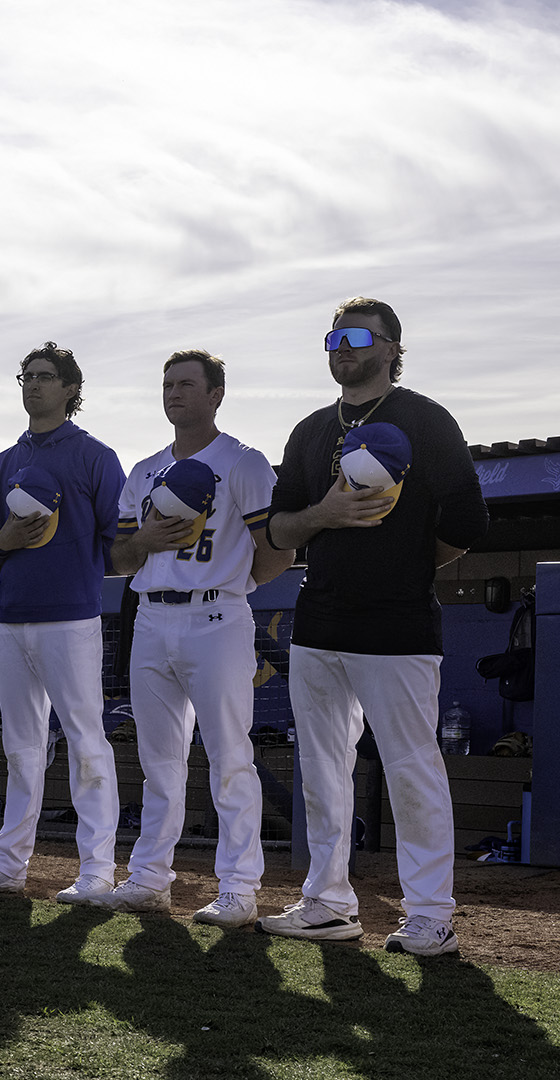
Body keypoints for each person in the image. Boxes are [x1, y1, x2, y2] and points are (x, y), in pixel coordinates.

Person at [259, 297, 488, 956]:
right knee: (322, 772)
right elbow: (278, 528)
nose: (342, 346)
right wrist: (325, 514)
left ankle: (429, 916)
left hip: (399, 625)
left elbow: (468, 524)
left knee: (411, 770)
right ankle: (327, 904)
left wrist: (406, 562)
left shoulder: (425, 419)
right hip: (319, 621)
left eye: (358, 336)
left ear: (392, 347)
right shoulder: (308, 432)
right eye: (332, 336)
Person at [101, 351, 294, 925]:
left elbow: (279, 553)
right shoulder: (144, 469)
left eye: (187, 383)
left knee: (230, 756)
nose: (173, 393)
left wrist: (228, 587)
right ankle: (149, 877)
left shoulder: (244, 462)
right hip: (151, 616)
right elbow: (116, 557)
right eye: (167, 384)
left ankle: (238, 886)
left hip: (216, 618)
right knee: (159, 759)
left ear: (216, 395)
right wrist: (149, 543)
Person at [0, 342, 126, 902]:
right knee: (21, 745)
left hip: (72, 618)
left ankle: (98, 869)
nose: (33, 385)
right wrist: (0, 542)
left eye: (45, 377)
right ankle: (9, 862)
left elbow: (116, 542)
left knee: (85, 742)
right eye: (25, 376)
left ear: (71, 389)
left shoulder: (95, 457)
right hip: (14, 618)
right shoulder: (1, 463)